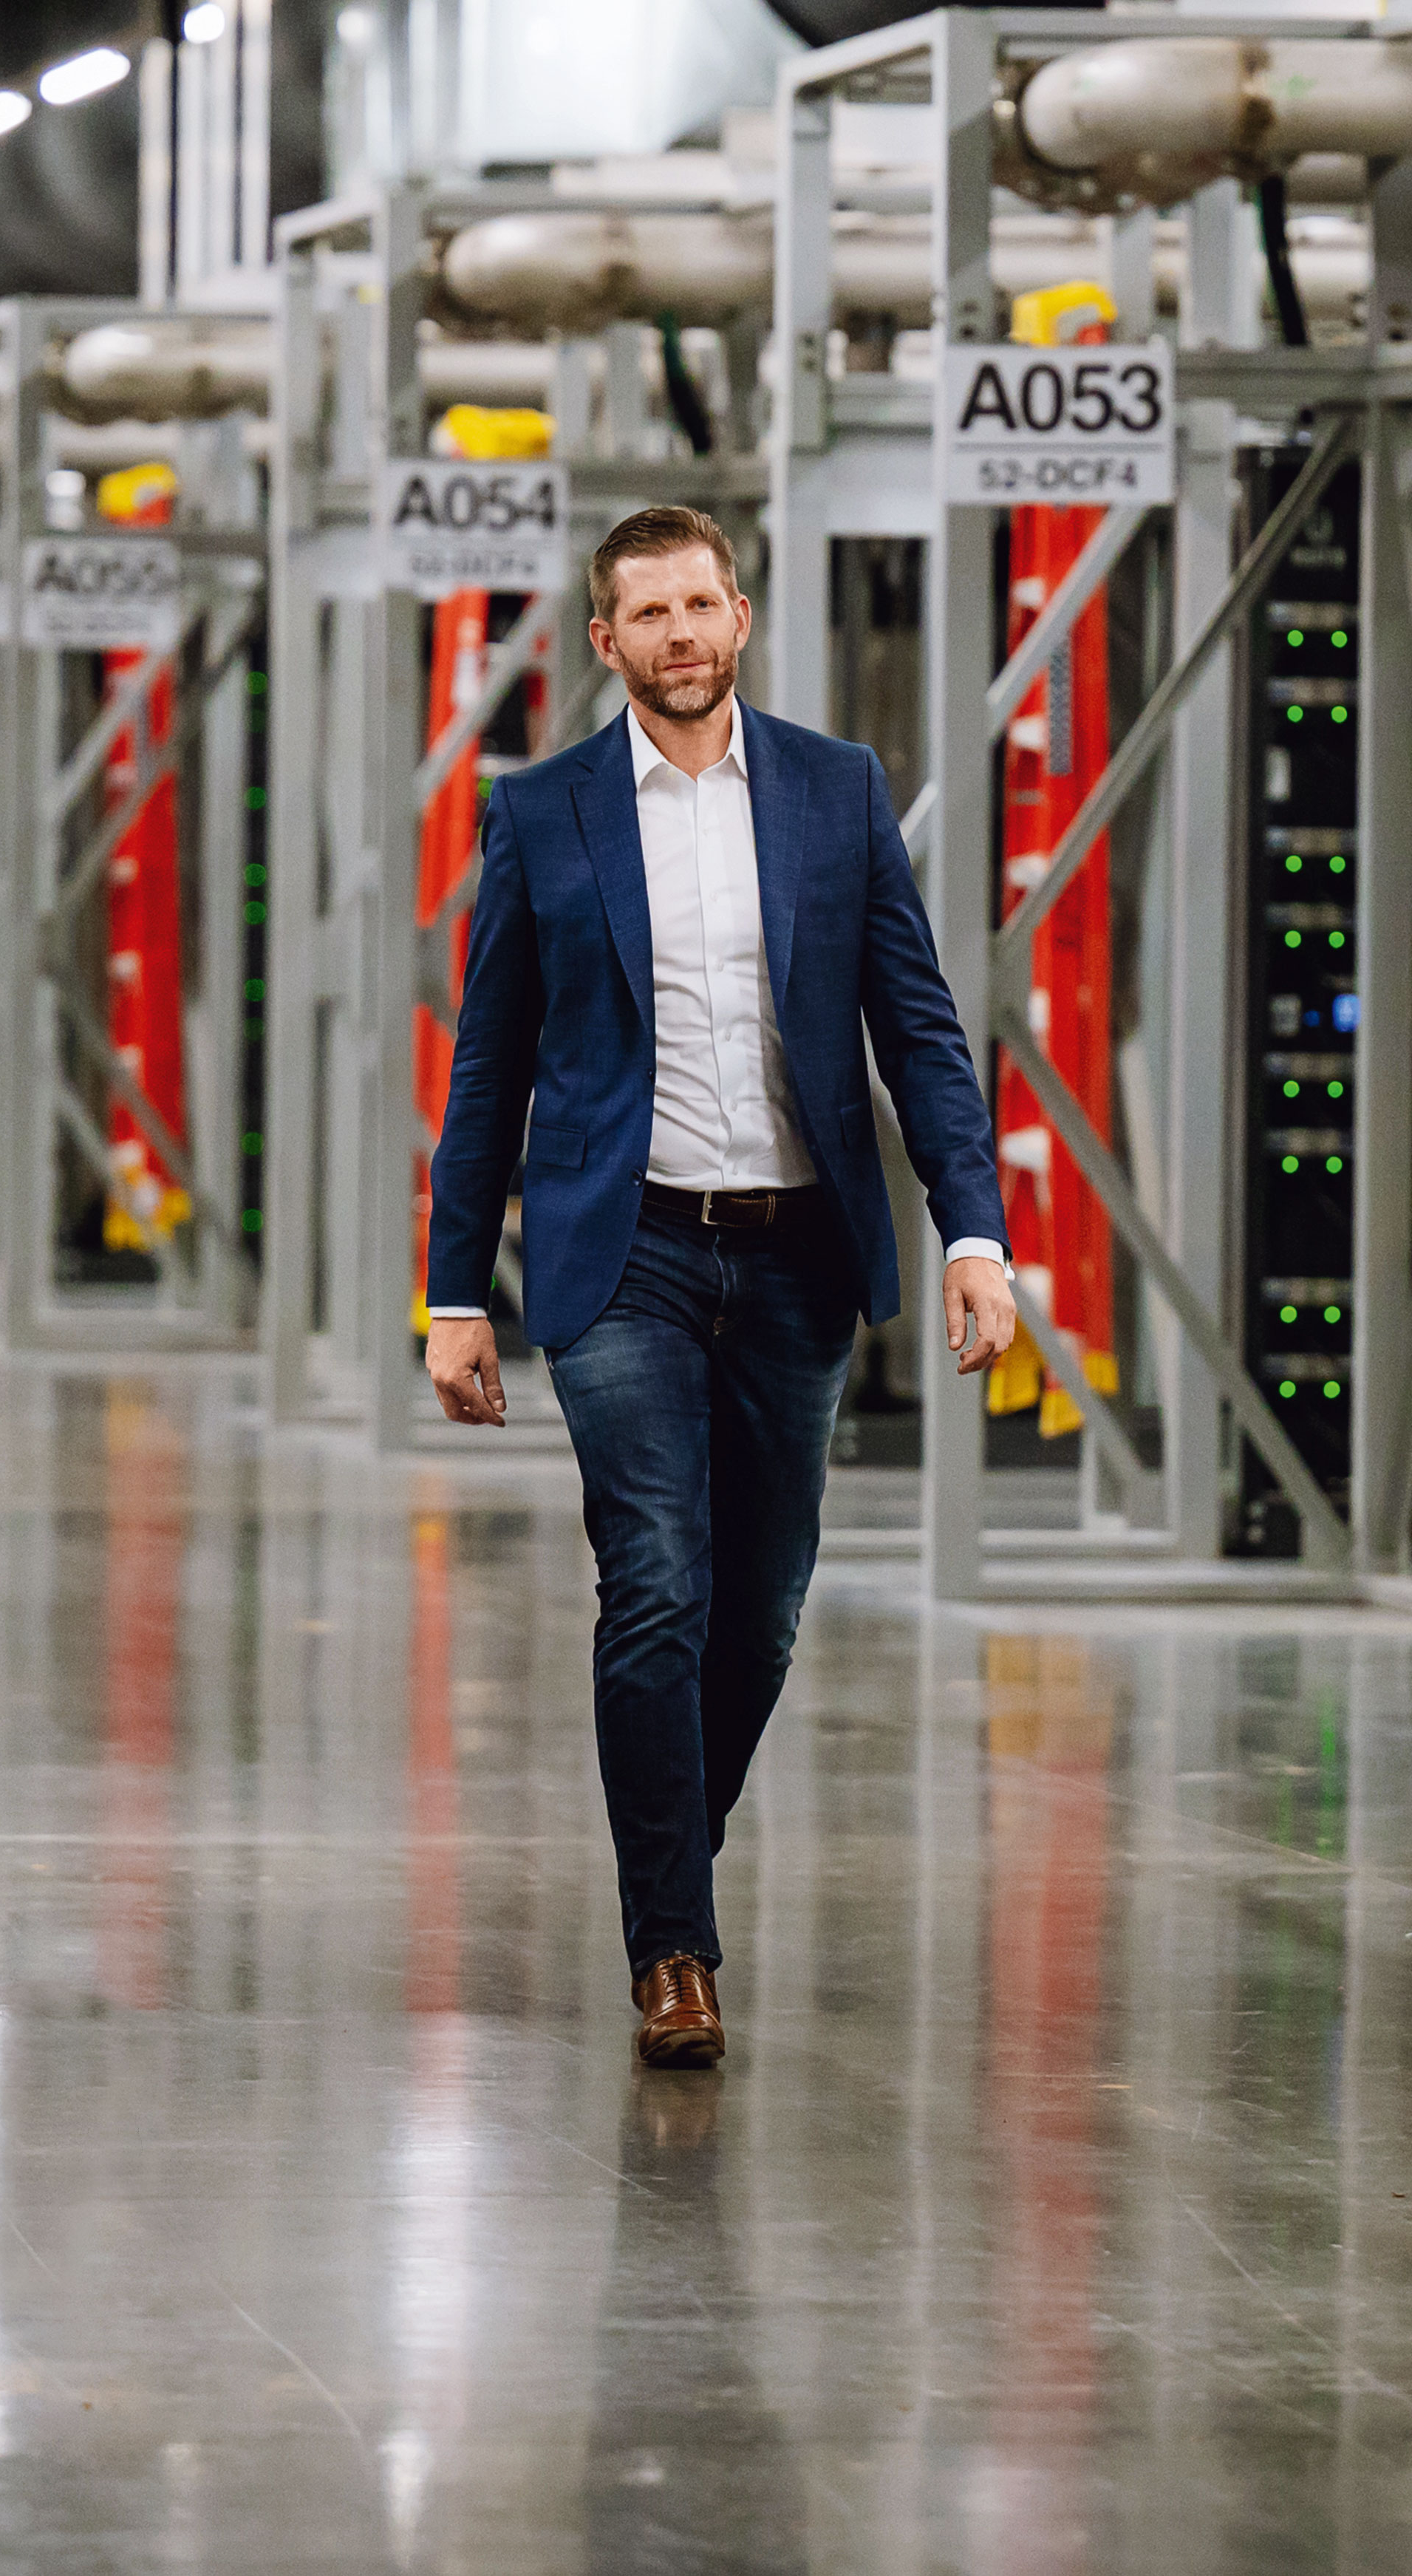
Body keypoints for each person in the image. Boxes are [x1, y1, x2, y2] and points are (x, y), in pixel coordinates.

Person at [424, 505, 1015, 2069]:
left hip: (798, 1251)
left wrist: (976, 1234)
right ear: (604, 642)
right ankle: (673, 1946)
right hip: (625, 1257)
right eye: (649, 614)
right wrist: (453, 1293)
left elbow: (921, 1031)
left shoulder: (835, 791)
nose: (681, 635)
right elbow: (487, 1068)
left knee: (755, 1620)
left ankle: (666, 1843)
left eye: (702, 606)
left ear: (739, 617)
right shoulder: (544, 812)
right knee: (661, 1584)